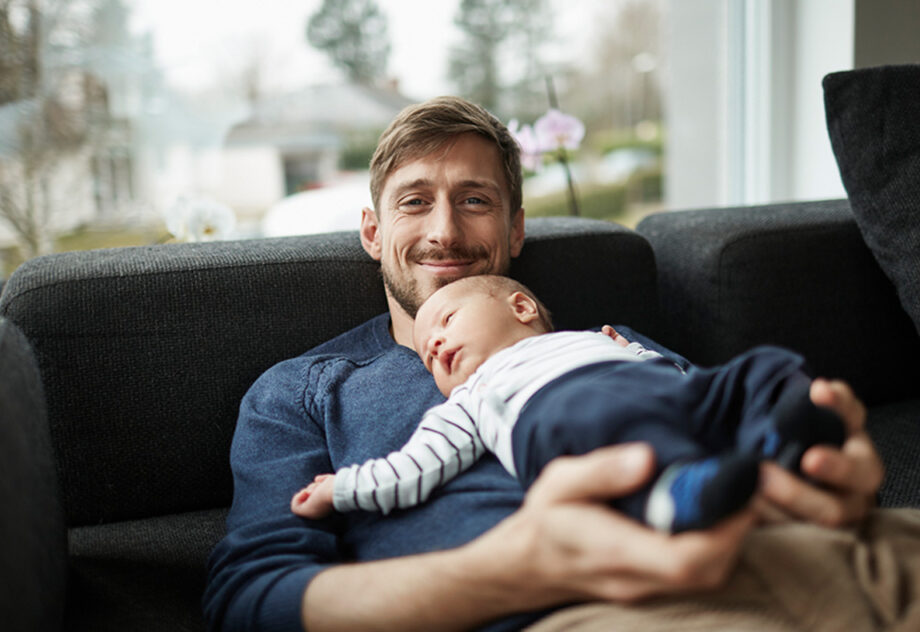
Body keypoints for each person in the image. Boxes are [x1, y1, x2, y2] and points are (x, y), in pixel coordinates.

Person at [203, 96, 885, 632]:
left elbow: (747, 424)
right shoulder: (304, 390)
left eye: (475, 200)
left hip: (814, 559)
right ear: (373, 233)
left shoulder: (611, 346)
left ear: (516, 228)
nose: (444, 230)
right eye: (414, 202)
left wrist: (830, 477)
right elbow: (252, 600)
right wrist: (511, 572)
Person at [291, 275, 846, 534]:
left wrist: (636, 355)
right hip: (563, 419)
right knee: (617, 447)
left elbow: (674, 376)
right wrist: (340, 488)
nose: (432, 344)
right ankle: (675, 497)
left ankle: (778, 434)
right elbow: (411, 469)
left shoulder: (598, 337)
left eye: (448, 320)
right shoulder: (472, 399)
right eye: (427, 354)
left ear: (522, 306)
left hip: (659, 392)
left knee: (761, 365)